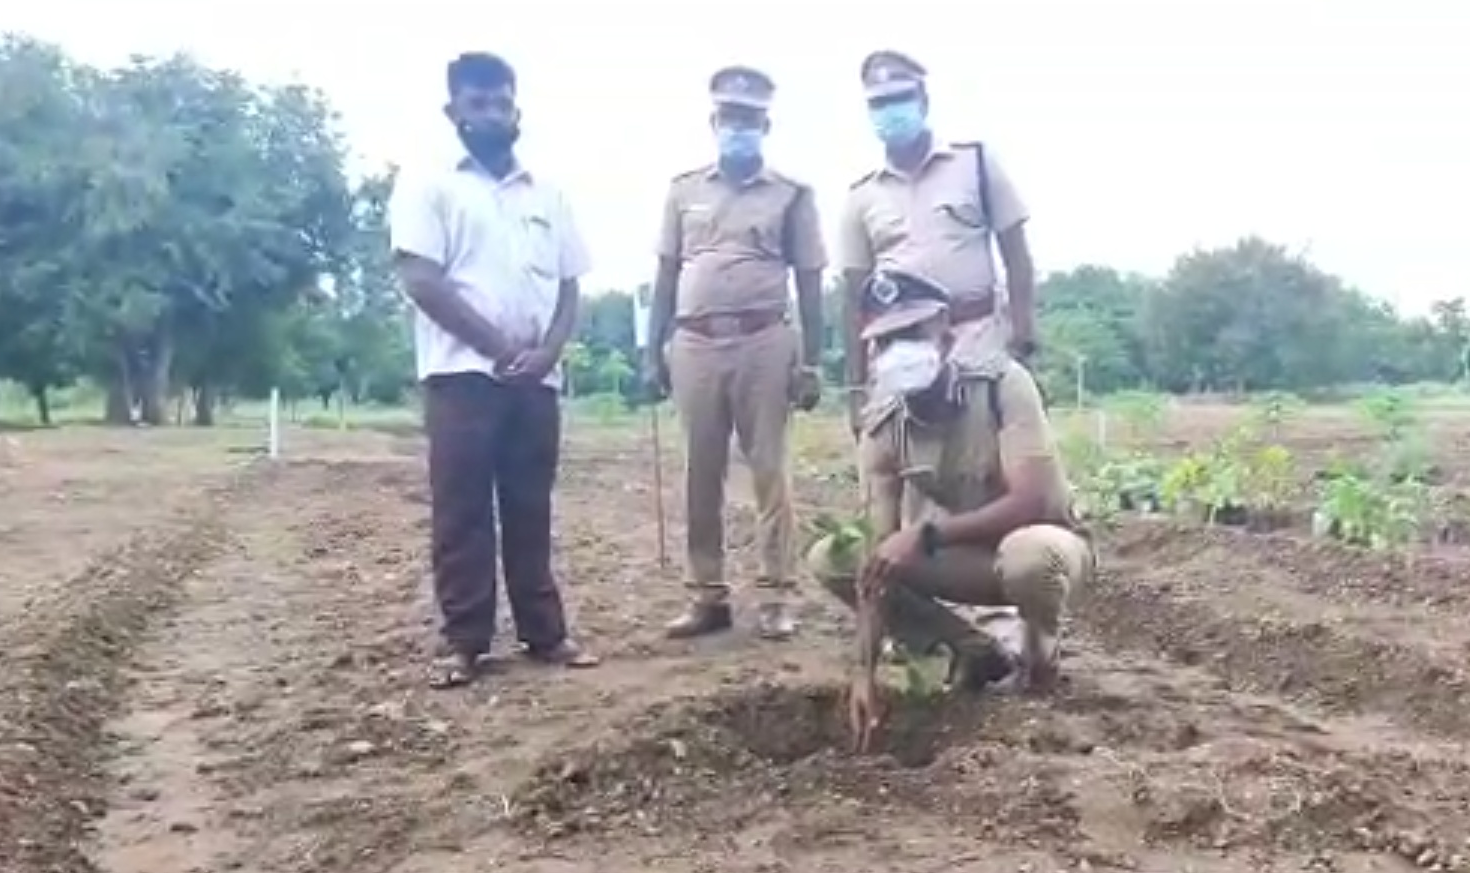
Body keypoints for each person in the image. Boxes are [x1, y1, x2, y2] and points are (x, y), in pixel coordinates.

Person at [803, 270, 1094, 751]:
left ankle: (1041, 657)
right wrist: (864, 675)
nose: (900, 350)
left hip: (1049, 547)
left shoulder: (1002, 385)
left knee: (1029, 555)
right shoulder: (882, 430)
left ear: (945, 330)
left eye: (911, 333)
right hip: (966, 562)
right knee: (835, 557)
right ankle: (974, 651)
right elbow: (878, 563)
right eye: (886, 340)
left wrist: (928, 535)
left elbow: (1032, 501)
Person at [388, 51, 599, 689]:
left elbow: (569, 287)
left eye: (501, 102)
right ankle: (464, 642)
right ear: (453, 111)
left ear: (517, 109)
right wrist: (495, 348)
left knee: (531, 507)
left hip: (536, 382)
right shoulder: (427, 184)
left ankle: (545, 634)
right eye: (476, 103)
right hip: (461, 379)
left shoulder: (548, 192)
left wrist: (549, 352)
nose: (491, 114)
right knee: (463, 511)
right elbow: (421, 280)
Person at [643, 65, 828, 641]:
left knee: (770, 471)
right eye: (729, 117)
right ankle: (707, 596)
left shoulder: (792, 195)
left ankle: (776, 596)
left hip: (765, 340)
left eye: (749, 119)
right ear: (713, 121)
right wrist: (653, 354)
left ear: (765, 124)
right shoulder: (683, 190)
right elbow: (666, 275)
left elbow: (811, 282)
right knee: (701, 472)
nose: (738, 127)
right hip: (694, 341)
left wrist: (814, 362)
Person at [836, 50, 1039, 434]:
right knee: (908, 461)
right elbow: (854, 300)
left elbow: (1017, 255)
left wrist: (1023, 336)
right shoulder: (861, 195)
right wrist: (856, 385)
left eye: (900, 99)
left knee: (985, 457)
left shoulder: (974, 163)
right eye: (879, 103)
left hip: (977, 338)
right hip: (900, 352)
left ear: (923, 102)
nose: (890, 111)